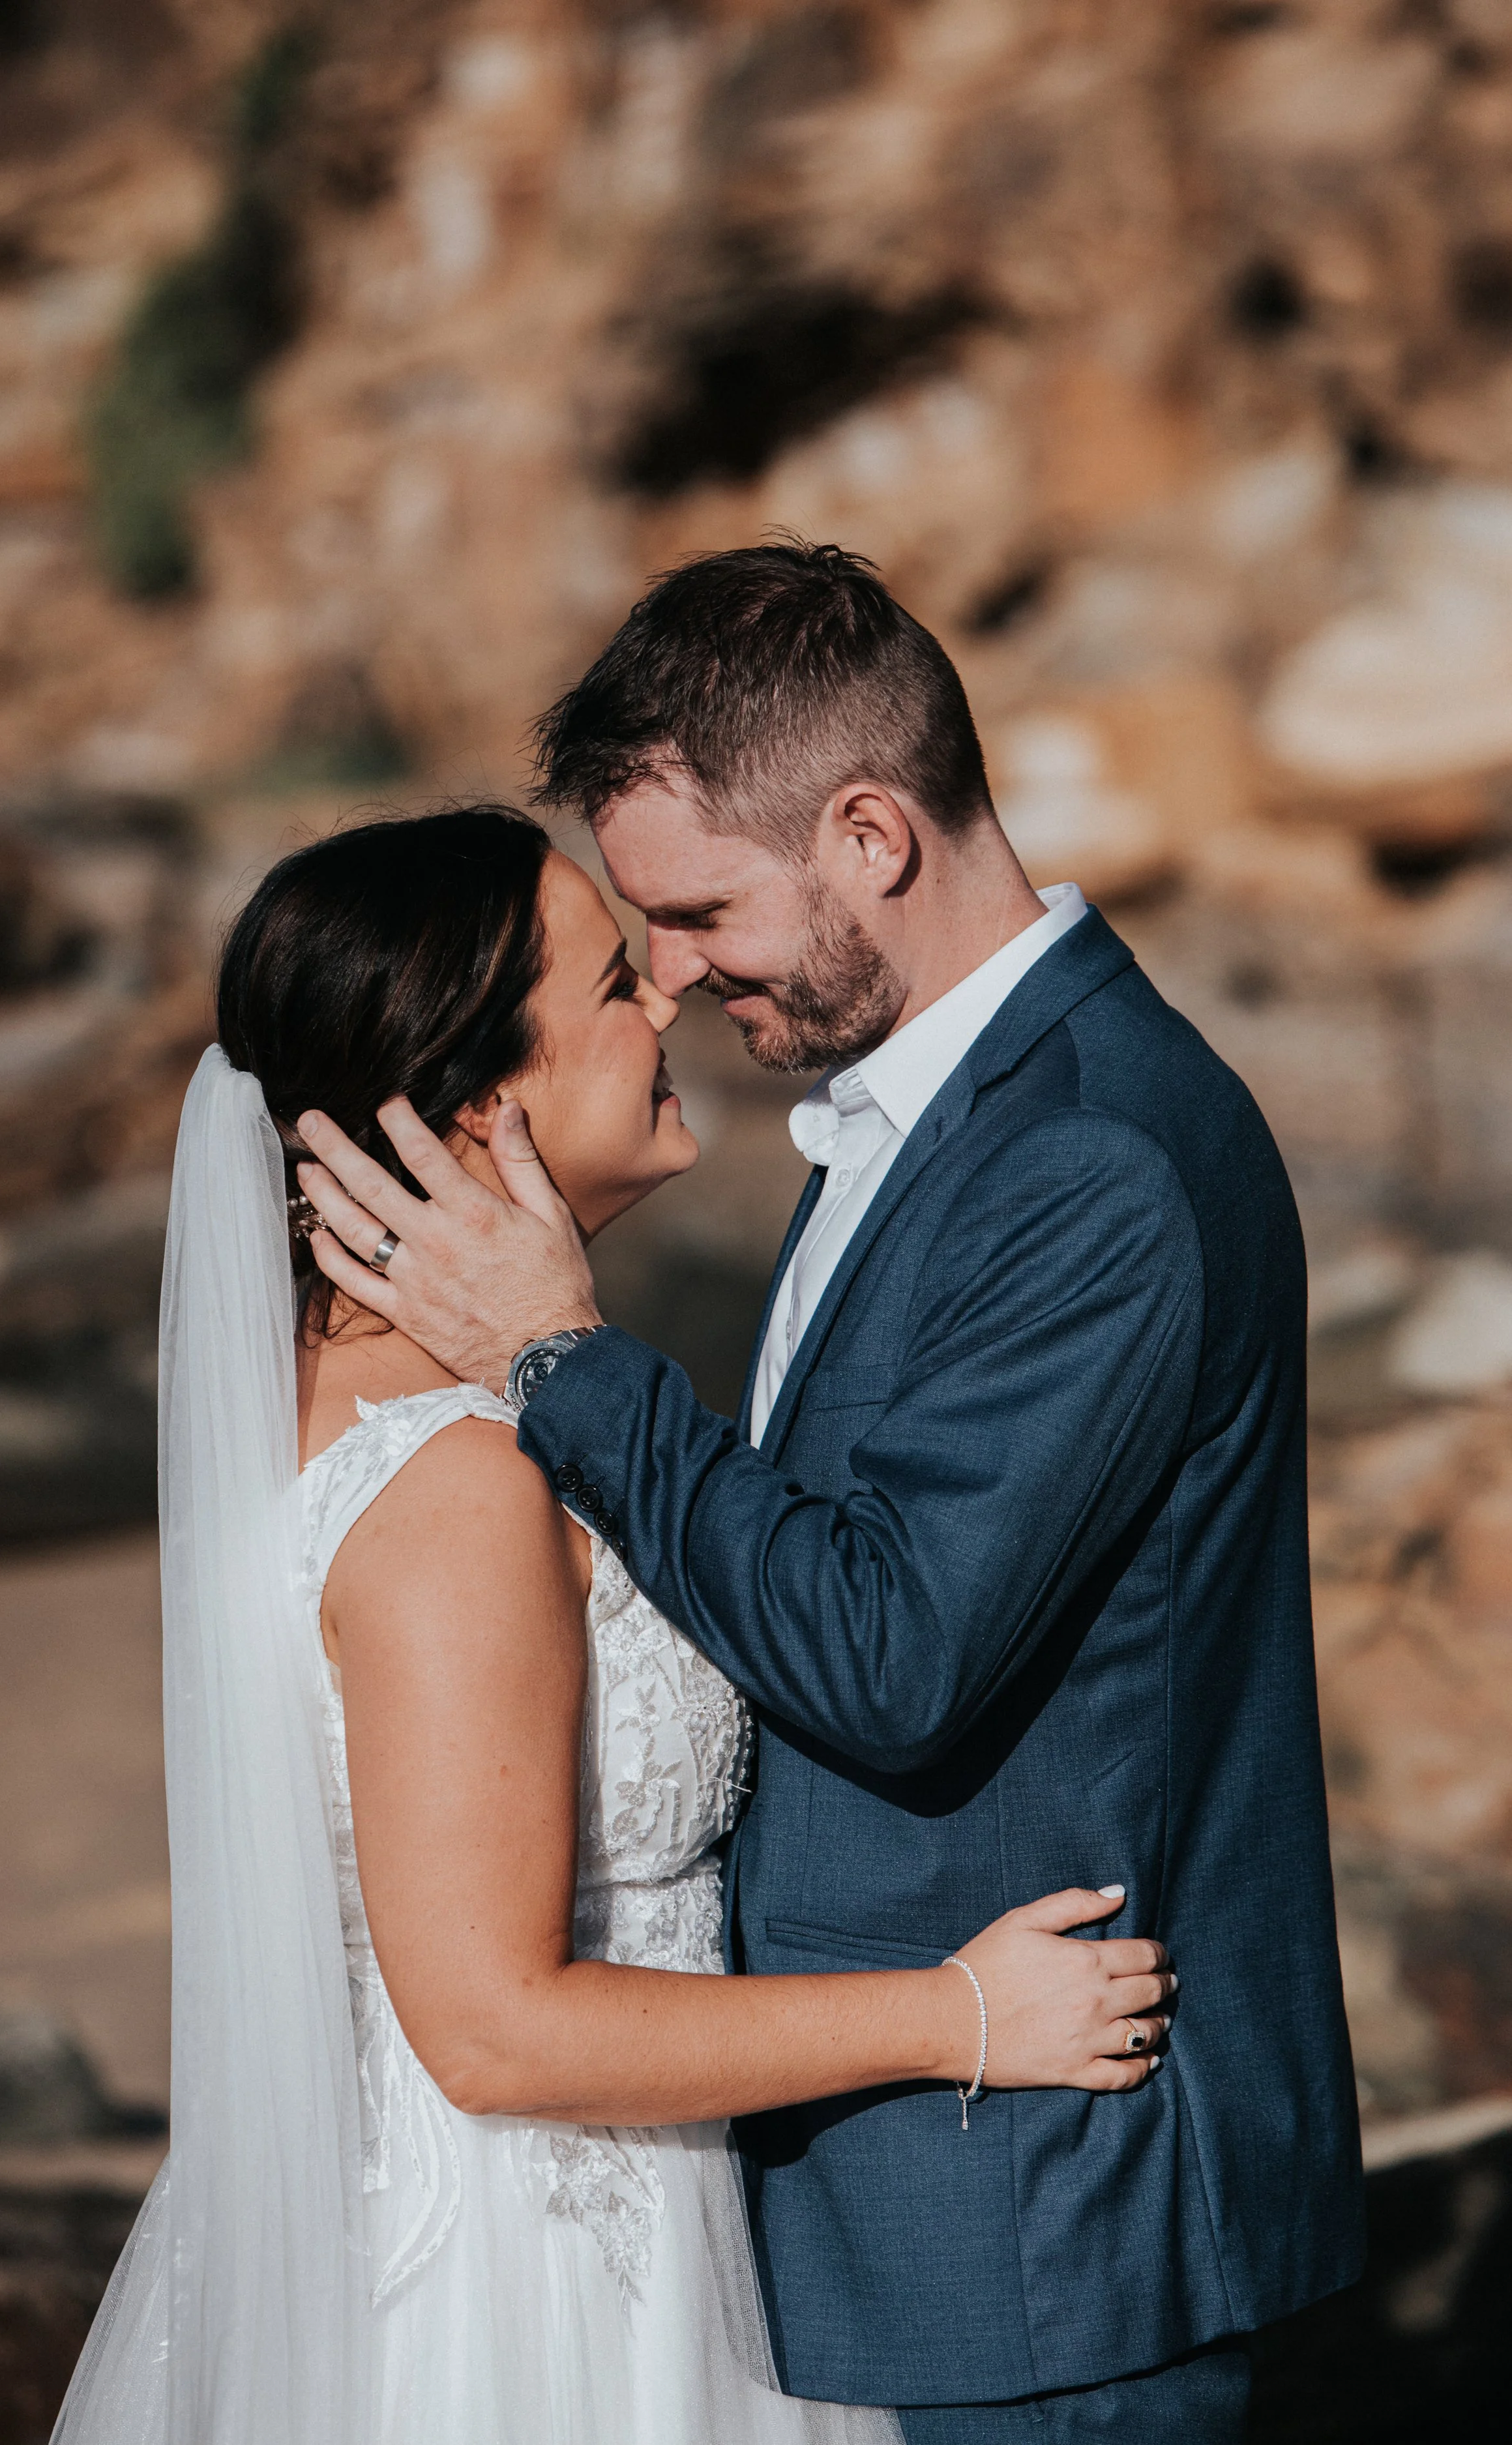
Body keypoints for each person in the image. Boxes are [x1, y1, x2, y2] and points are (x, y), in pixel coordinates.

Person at [295, 544, 1367, 2444]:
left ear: (870, 833)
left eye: (697, 914)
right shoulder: (914, 1112)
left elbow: (884, 1649)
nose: (682, 977)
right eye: (639, 943)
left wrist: (560, 1360)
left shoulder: (1089, 1157)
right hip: (882, 2202)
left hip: (1051, 2209)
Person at [51, 807, 1176, 2445]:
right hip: (539, 2299)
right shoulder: (452, 1488)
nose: (664, 998)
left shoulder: (318, 1407)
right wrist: (965, 2014)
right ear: (485, 1105)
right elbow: (499, 2030)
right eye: (606, 983)